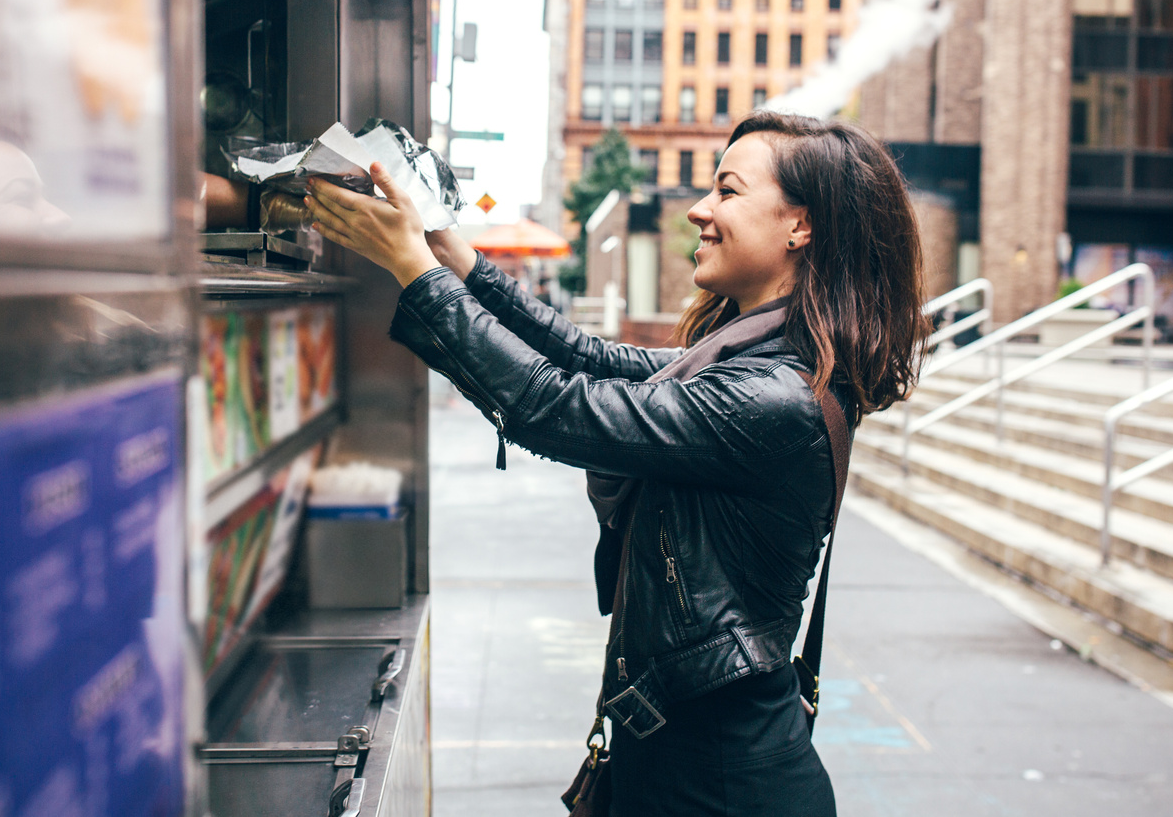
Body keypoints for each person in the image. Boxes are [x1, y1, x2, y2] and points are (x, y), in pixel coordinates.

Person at [310, 113, 927, 816]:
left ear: (801, 227)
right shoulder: (742, 359)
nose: (700, 208)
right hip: (680, 759)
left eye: (727, 191)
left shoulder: (773, 398)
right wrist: (462, 265)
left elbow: (552, 405)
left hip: (721, 785)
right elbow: (594, 360)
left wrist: (414, 272)